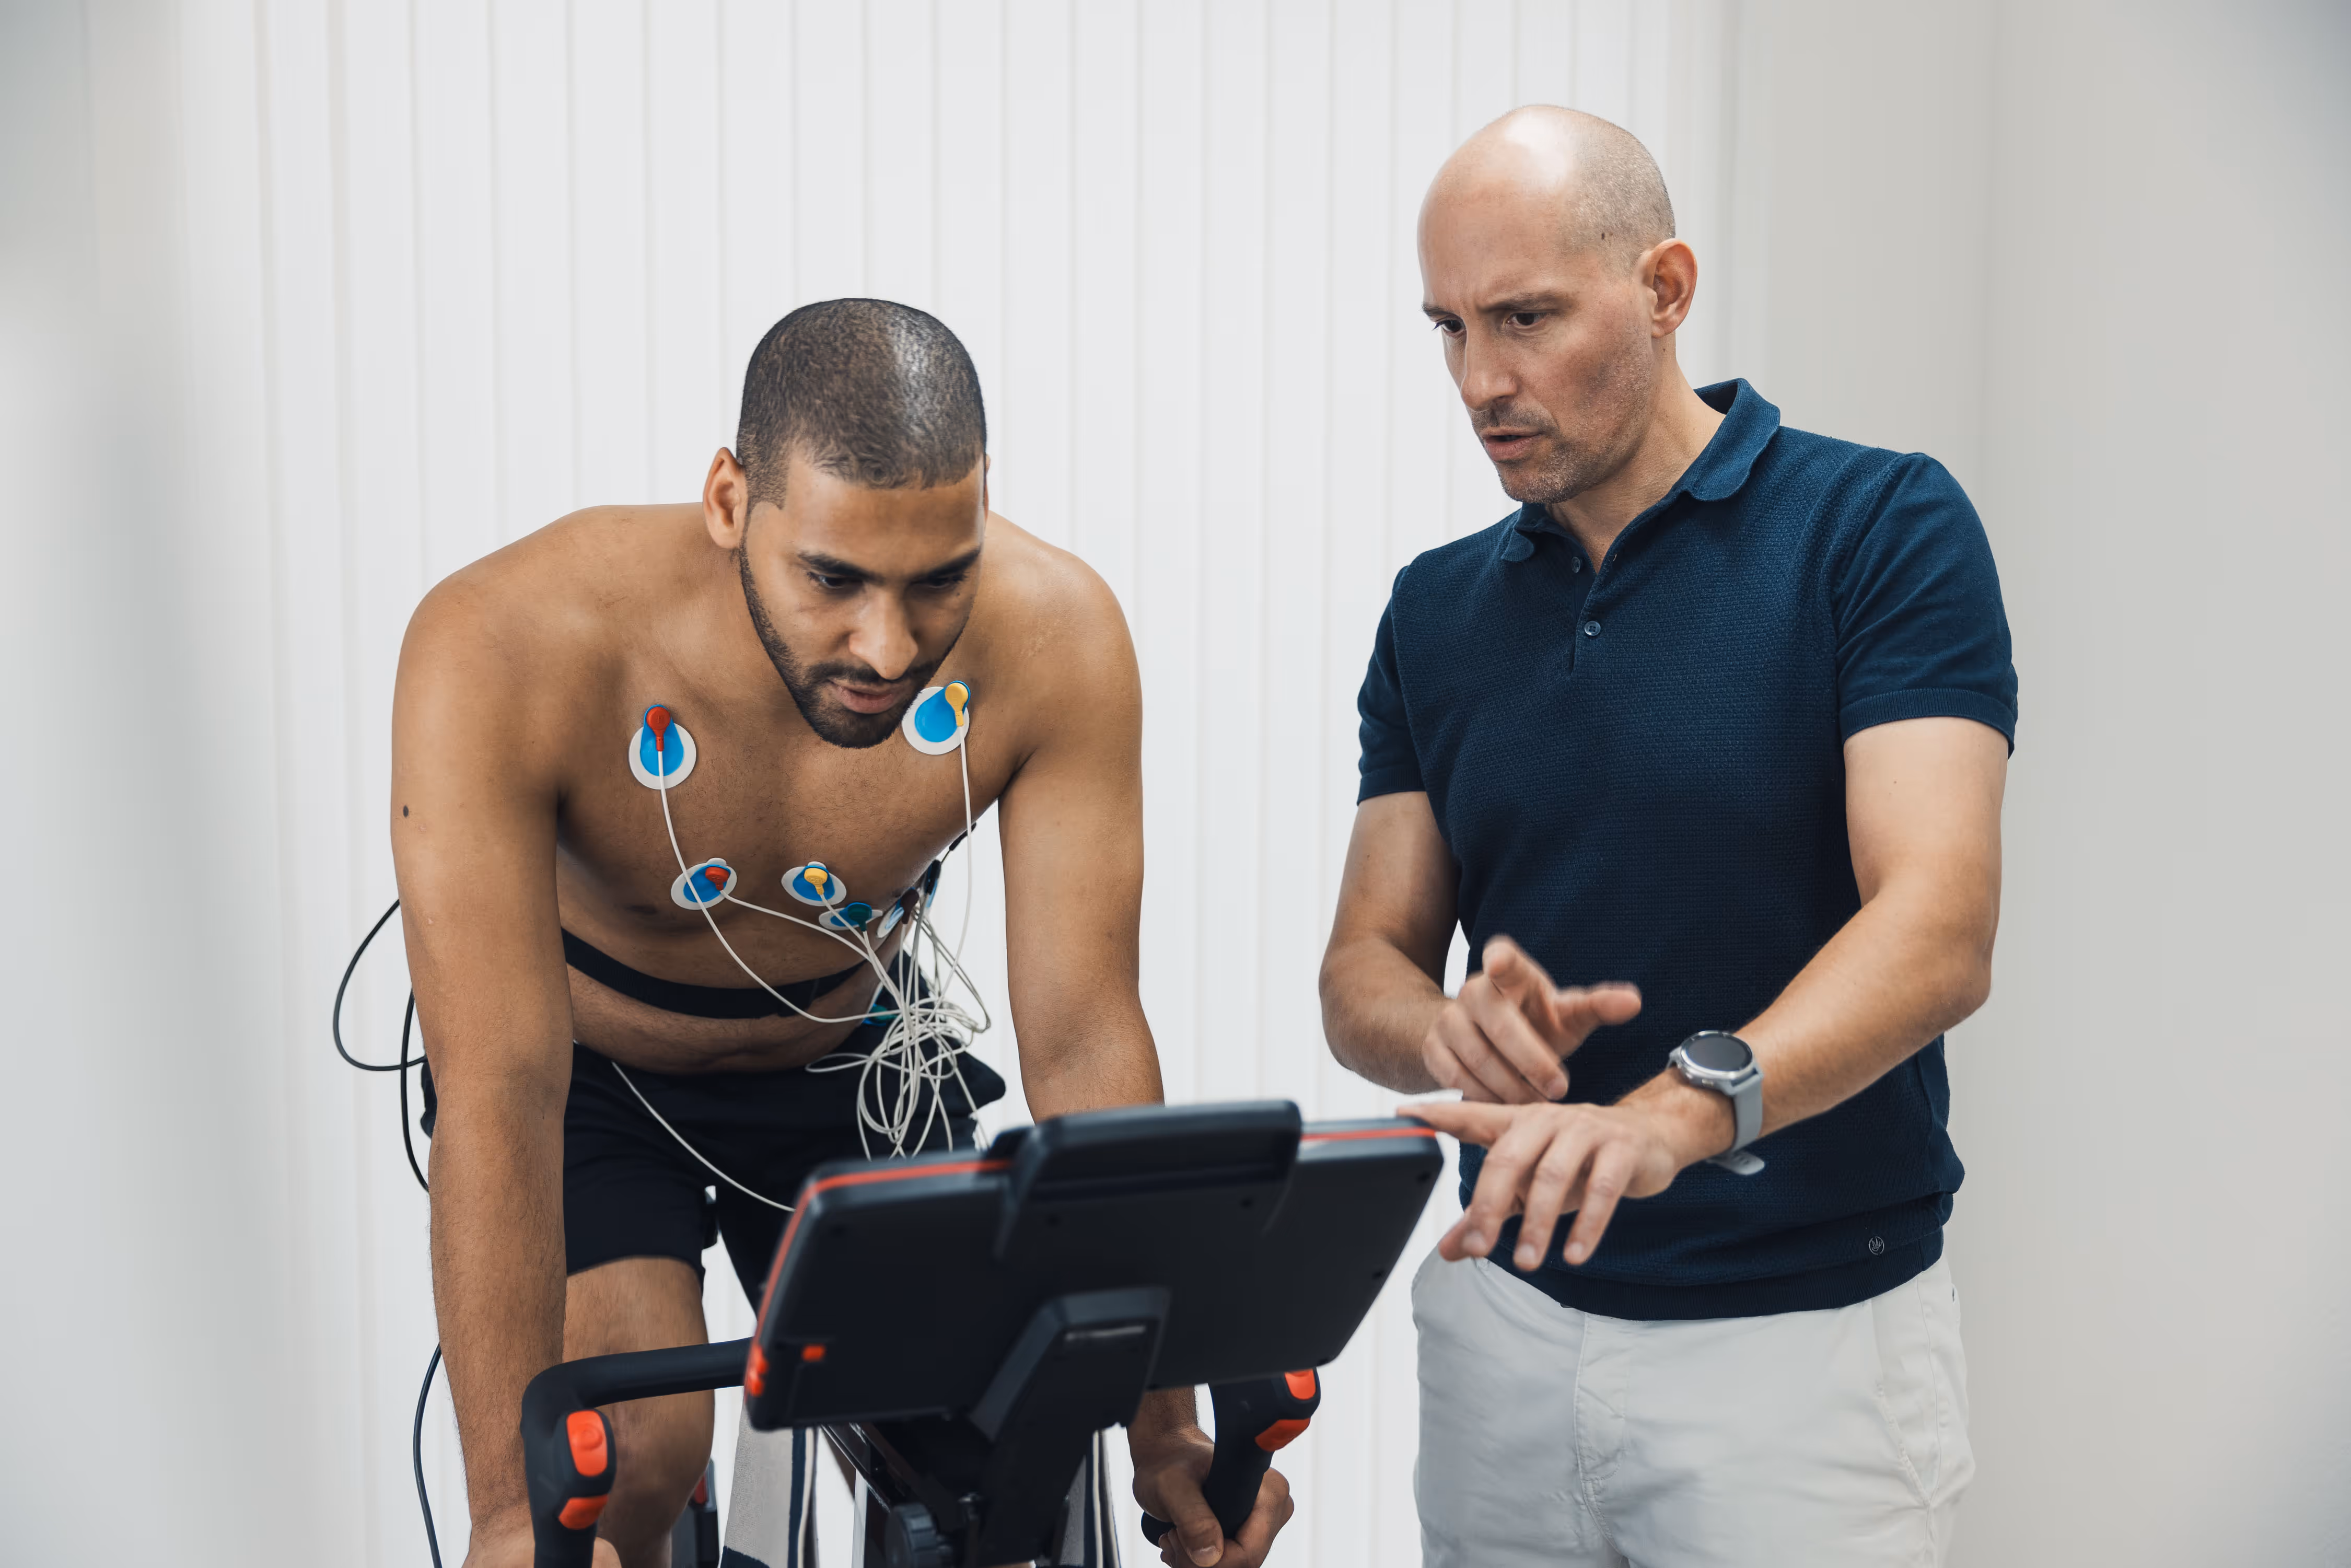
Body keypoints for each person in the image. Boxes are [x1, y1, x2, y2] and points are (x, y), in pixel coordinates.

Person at [393, 299, 1291, 1568]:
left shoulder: (1057, 636)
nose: (888, 645)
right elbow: (498, 1086)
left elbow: (1086, 1038)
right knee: (632, 1449)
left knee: (989, 1444)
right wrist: (506, 1515)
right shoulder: (504, 642)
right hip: (593, 1083)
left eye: (939, 581)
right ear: (727, 501)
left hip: (851, 1060)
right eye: (832, 579)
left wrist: (1165, 1432)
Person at [1320, 107, 2013, 1566]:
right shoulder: (1432, 610)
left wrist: (1674, 1116)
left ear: (1663, 288)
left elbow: (1937, 930)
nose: (1480, 381)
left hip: (1802, 1358)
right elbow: (1363, 970)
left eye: (1524, 318)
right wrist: (1445, 1032)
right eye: (1447, 328)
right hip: (1502, 1332)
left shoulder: (1877, 527)